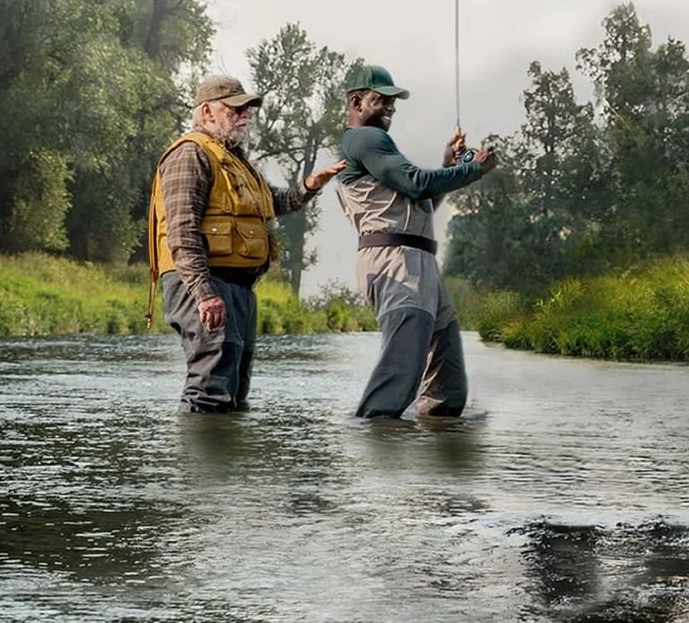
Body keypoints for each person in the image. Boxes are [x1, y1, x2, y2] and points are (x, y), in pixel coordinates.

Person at [147, 74, 345, 413]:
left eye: (247, 109)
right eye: (236, 108)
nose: (245, 115)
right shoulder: (189, 155)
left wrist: (310, 185)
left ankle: (226, 464)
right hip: (202, 284)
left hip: (236, 286)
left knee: (235, 390)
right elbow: (181, 232)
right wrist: (205, 293)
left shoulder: (235, 159)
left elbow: (272, 202)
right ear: (207, 112)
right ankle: (199, 465)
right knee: (210, 388)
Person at [335, 64, 498, 419]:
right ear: (356, 101)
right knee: (402, 370)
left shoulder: (376, 145)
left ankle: (432, 458)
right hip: (396, 262)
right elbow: (417, 183)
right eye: (382, 100)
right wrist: (472, 169)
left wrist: (446, 164)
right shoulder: (365, 139)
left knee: (448, 381)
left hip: (417, 260)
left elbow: (418, 203)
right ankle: (373, 442)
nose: (391, 107)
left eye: (393, 101)